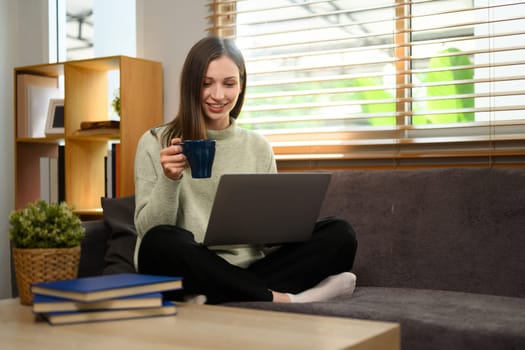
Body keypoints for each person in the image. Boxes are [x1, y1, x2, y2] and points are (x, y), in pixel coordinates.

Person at [134, 36, 358, 304]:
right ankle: (287, 300)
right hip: (189, 263)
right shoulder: (154, 140)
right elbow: (148, 229)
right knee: (158, 242)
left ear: (241, 85)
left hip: (248, 269)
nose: (218, 95)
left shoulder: (258, 146)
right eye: (206, 83)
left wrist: (281, 226)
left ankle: (213, 295)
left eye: (229, 84)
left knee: (340, 233)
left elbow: (266, 242)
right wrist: (169, 180)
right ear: (191, 85)